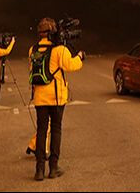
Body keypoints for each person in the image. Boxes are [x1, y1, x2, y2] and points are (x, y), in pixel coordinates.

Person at [29, 18, 84, 181]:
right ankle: (53, 168)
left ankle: (39, 170)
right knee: (56, 130)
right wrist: (80, 56)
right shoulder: (59, 50)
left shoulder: (32, 49)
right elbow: (72, 65)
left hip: (40, 98)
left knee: (41, 132)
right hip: (57, 97)